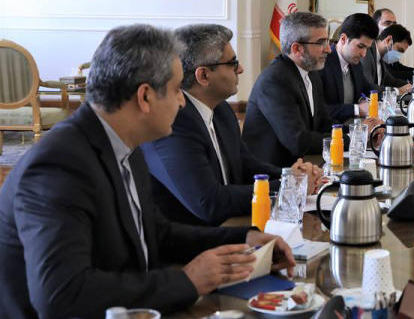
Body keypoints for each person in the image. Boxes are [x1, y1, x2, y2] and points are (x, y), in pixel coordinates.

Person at [0, 25, 294, 318]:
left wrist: (244, 240)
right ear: (145, 97)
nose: (182, 101)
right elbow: (62, 295)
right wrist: (189, 280)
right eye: (177, 89)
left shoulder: (124, 143)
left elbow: (155, 232)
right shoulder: (59, 166)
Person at [142, 24, 321, 226]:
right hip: (192, 245)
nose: (241, 68)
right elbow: (209, 202)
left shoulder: (222, 111)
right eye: (233, 63)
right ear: (204, 76)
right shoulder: (174, 123)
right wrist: (289, 186)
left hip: (232, 225)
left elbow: (246, 165)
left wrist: (292, 175)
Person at [243, 11, 337, 167]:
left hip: (305, 166)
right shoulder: (275, 81)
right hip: (271, 178)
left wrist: (359, 132)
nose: (328, 49)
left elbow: (324, 122)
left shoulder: (311, 73)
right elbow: (298, 141)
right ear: (297, 49)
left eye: (327, 41)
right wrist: (347, 140)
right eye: (321, 42)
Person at [321, 13, 378, 122]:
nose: (364, 54)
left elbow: (366, 89)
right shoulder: (323, 64)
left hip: (355, 129)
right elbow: (319, 111)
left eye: (367, 48)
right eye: (360, 46)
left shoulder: (356, 64)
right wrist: (357, 109)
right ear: (343, 39)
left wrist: (363, 100)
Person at [361, 23, 413, 93]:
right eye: (399, 49)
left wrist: (413, 87)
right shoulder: (367, 53)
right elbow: (369, 87)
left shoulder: (380, 58)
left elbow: (392, 82)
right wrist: (397, 91)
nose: (399, 55)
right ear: (388, 40)